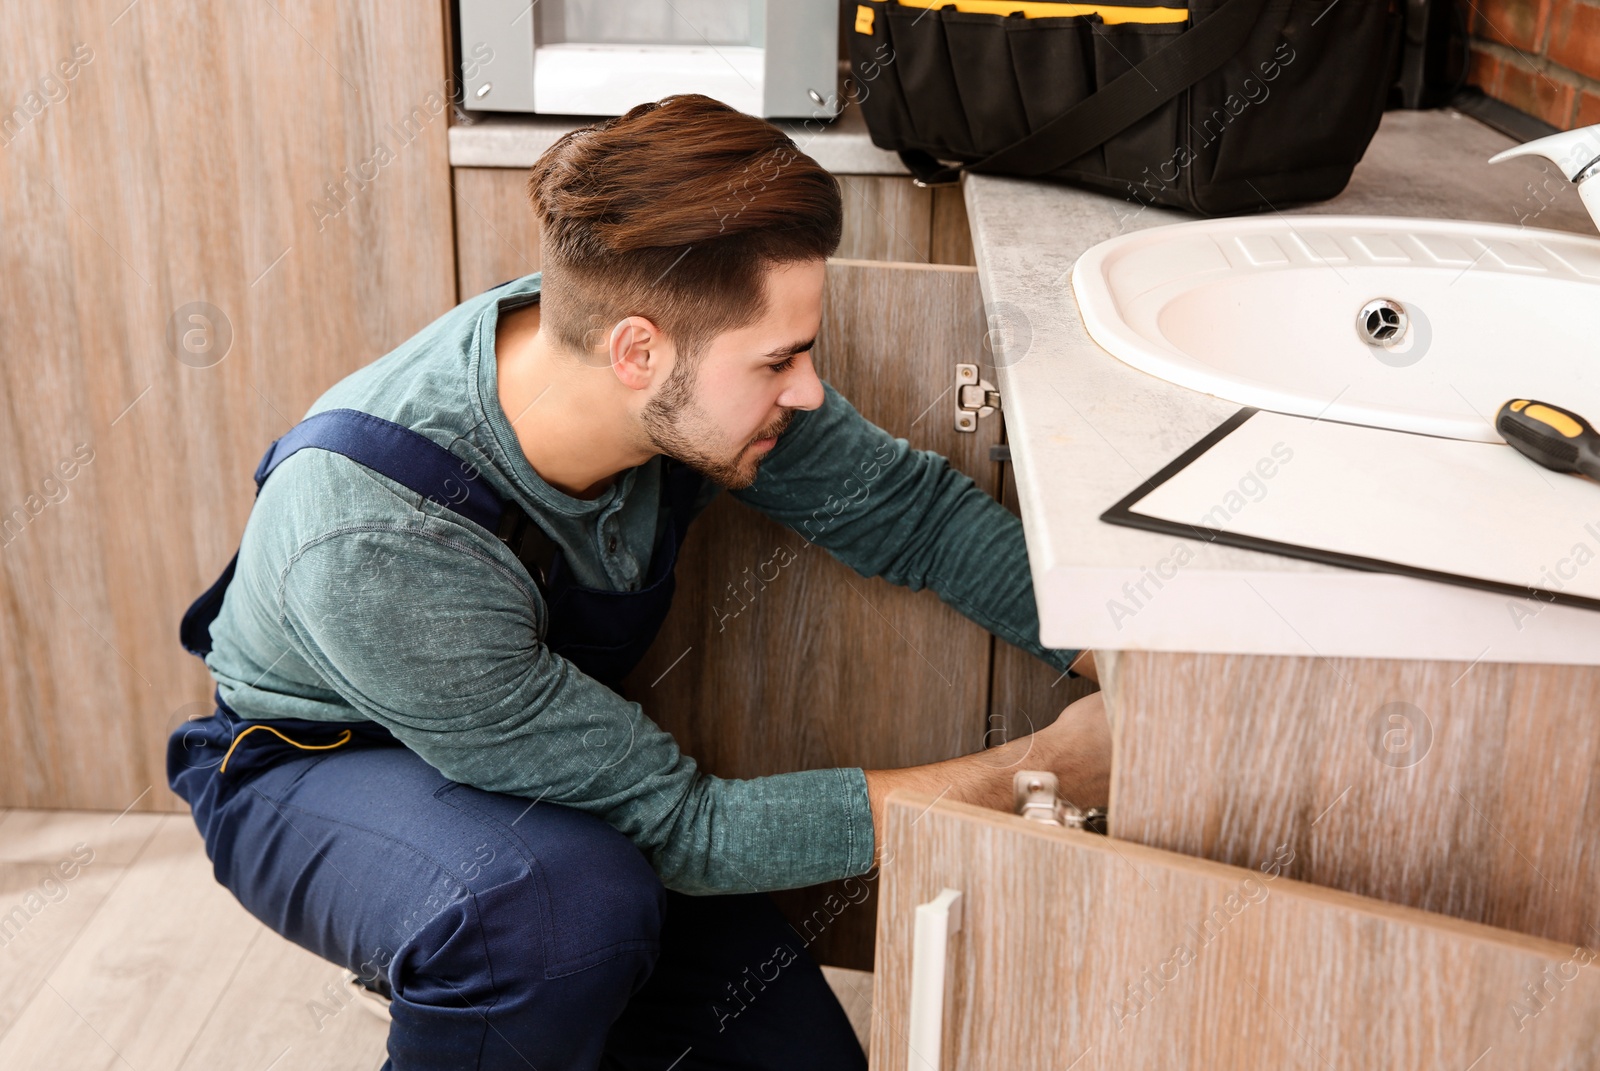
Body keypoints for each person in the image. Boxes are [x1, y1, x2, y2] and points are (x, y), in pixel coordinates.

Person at [167, 93, 1109, 1071]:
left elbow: (913, 519)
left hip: (534, 764)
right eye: (779, 359)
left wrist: (1128, 669)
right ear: (637, 352)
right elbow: (691, 831)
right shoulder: (379, 542)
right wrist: (1031, 774)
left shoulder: (669, 371)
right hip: (311, 768)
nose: (809, 389)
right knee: (549, 913)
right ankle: (454, 942)